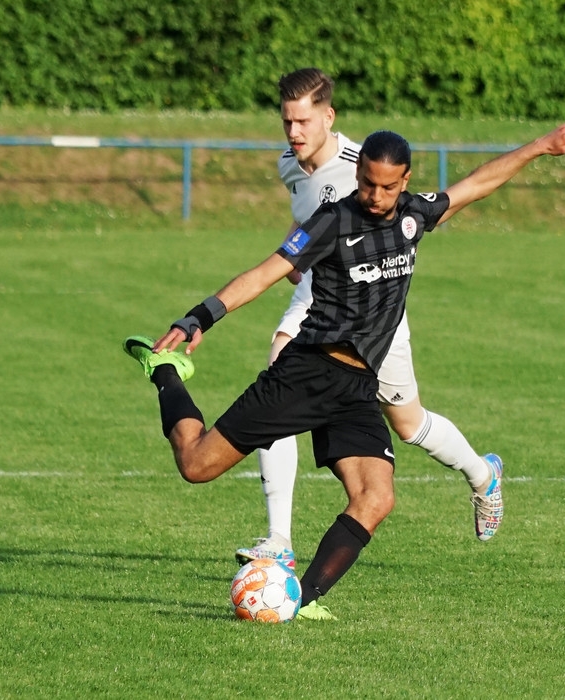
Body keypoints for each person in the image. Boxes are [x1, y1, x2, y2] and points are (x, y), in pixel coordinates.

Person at [123, 118, 565, 620]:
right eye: (368, 183)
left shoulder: (415, 215)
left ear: (405, 180)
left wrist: (541, 146)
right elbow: (265, 273)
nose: (375, 195)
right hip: (306, 373)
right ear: (358, 175)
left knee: (376, 497)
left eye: (387, 187)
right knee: (196, 465)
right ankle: (165, 371)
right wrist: (199, 317)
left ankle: (299, 600)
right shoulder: (331, 222)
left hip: (356, 387)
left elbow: (477, 184)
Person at [237, 68, 506, 572]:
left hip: (374, 319)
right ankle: (278, 539)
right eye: (287, 121)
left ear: (328, 117)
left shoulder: (364, 167)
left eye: (303, 121)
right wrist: (296, 254)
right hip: (319, 304)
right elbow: (308, 215)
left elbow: (409, 215)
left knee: (409, 424)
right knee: (277, 379)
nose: (294, 131)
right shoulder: (289, 164)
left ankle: (482, 474)